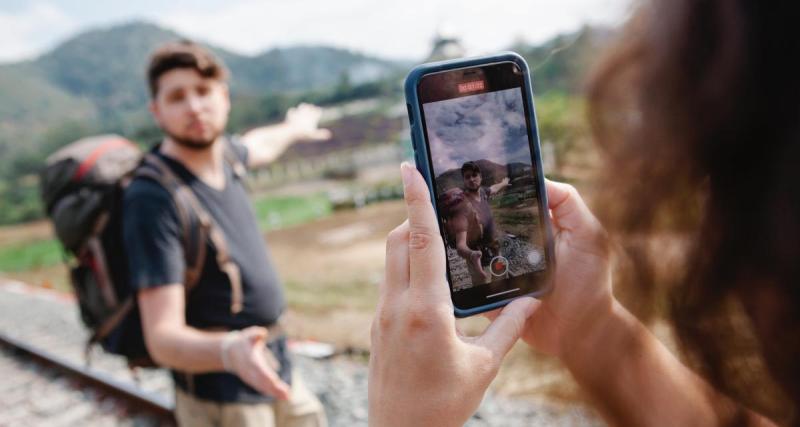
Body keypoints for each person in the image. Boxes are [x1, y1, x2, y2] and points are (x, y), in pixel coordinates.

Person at [369, 0, 800, 425]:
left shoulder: (485, 187)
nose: (708, 228)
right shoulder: (464, 192)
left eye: (718, 178)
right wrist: (592, 323)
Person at [124, 40, 328, 427]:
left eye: (203, 91)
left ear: (224, 98)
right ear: (157, 111)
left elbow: (261, 144)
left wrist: (295, 128)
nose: (195, 106)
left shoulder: (227, 157)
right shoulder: (152, 197)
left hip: (278, 368)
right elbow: (162, 337)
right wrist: (230, 352)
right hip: (223, 397)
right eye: (177, 97)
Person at [459, 162, 510, 283]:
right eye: (467, 177)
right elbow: (460, 241)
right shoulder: (463, 201)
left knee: (501, 282)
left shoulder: (483, 192)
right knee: (482, 287)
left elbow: (493, 189)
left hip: (494, 249)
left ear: (480, 177)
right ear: (464, 181)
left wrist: (503, 183)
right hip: (477, 256)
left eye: (474, 175)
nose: (471, 179)